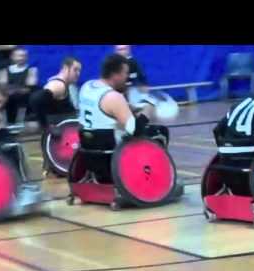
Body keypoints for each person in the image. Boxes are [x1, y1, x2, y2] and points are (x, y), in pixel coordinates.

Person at [78, 54, 167, 183]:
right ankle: (153, 178)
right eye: (125, 73)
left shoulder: (87, 86)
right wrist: (147, 112)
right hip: (110, 159)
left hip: (89, 153)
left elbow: (104, 110)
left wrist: (128, 107)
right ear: (115, 74)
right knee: (160, 132)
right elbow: (136, 131)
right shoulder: (113, 97)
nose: (127, 77)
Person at [29, 57, 82, 131]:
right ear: (66, 68)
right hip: (61, 134)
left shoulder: (63, 84)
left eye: (79, 71)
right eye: (75, 70)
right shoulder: (58, 85)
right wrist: (45, 125)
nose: (78, 74)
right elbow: (35, 99)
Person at [0, 48, 39, 124]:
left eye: (24, 56)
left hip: (25, 98)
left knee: (22, 97)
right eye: (19, 56)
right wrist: (17, 88)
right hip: (9, 98)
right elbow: (3, 86)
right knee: (2, 98)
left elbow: (30, 86)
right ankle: (5, 123)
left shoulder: (32, 70)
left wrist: (12, 88)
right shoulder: (4, 70)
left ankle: (20, 122)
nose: (21, 58)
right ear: (12, 57)